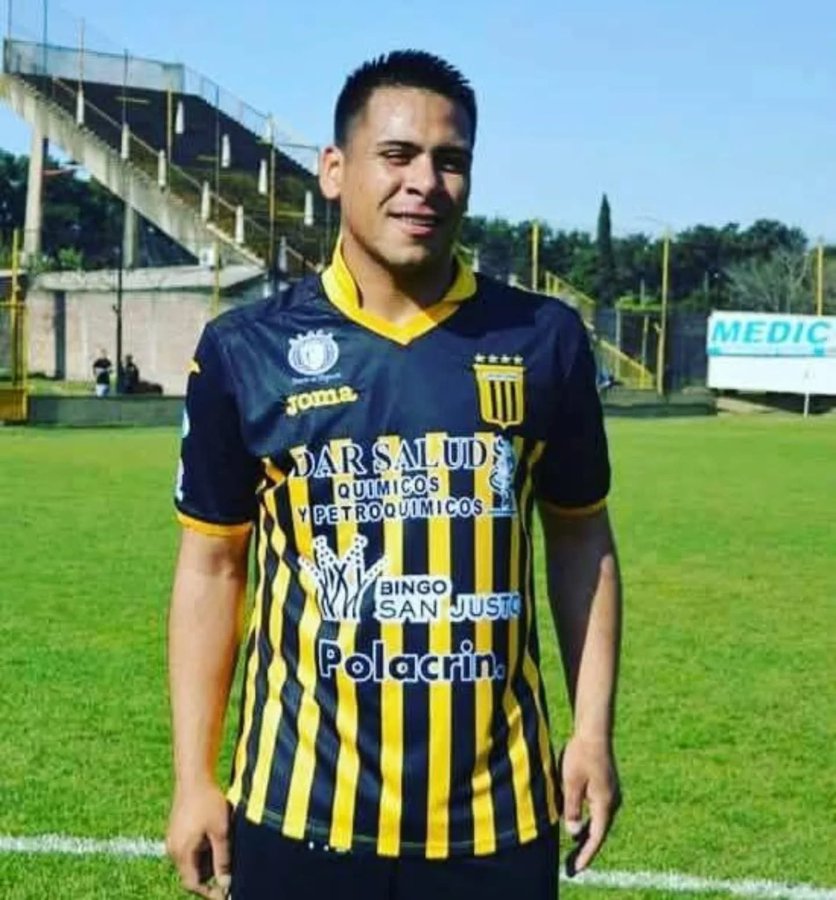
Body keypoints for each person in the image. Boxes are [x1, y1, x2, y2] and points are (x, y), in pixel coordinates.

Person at [166, 50, 622, 900]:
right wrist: (194, 776)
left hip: (496, 817)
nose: (425, 183)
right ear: (334, 170)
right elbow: (213, 565)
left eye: (450, 161)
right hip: (298, 809)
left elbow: (580, 535)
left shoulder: (543, 338)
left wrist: (591, 730)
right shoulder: (245, 349)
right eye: (398, 155)